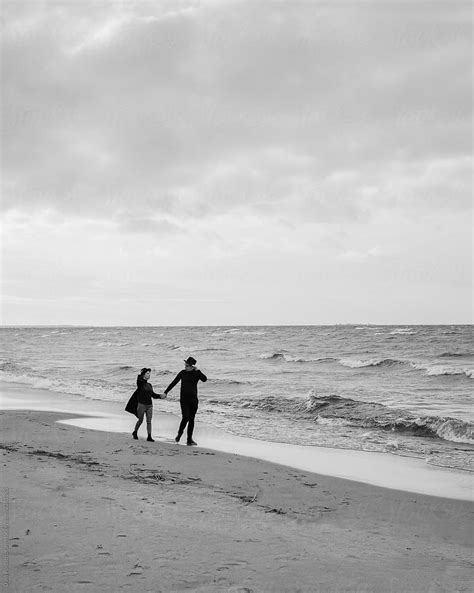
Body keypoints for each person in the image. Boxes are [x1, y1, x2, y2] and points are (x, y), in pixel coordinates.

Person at [164, 356, 207, 446]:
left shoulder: (196, 373)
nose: (185, 367)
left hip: (194, 400)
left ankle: (189, 439)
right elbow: (174, 382)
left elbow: (204, 379)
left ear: (192, 366)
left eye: (187, 366)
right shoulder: (182, 373)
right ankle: (179, 433)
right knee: (186, 417)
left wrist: (198, 370)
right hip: (184, 400)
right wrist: (166, 392)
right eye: (185, 365)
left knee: (192, 419)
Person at [126, 368, 166, 442]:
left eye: (149, 373)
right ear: (144, 375)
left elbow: (153, 395)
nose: (149, 375)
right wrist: (142, 373)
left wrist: (160, 396)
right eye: (147, 373)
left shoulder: (149, 385)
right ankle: (135, 432)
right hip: (141, 405)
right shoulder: (140, 383)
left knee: (149, 421)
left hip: (149, 405)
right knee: (140, 420)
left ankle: (149, 436)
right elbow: (138, 379)